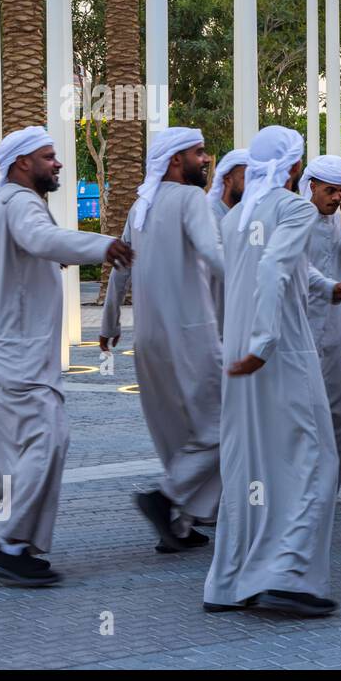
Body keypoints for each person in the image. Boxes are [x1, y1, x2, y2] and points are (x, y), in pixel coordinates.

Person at [0, 126, 132, 586]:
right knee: (48, 435)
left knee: (8, 450)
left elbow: (36, 247)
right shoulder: (20, 203)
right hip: (10, 350)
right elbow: (41, 240)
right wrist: (104, 245)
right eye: (49, 156)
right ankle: (6, 541)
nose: (57, 163)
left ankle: (4, 545)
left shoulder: (6, 205)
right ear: (23, 164)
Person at [203, 126, 339, 617]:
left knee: (247, 467)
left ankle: (228, 583)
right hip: (279, 350)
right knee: (315, 458)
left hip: (239, 353)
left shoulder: (238, 216)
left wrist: (326, 287)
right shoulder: (296, 207)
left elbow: (280, 269)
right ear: (295, 167)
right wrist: (264, 341)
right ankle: (287, 577)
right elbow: (274, 269)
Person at [101, 127, 225, 552]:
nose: (206, 159)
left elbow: (120, 268)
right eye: (198, 152)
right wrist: (253, 282)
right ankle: (166, 497)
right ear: (176, 161)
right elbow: (212, 251)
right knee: (224, 423)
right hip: (192, 335)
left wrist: (109, 324)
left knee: (178, 432)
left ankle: (179, 526)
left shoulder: (141, 206)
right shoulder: (191, 199)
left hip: (148, 340)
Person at [299, 155, 341, 490]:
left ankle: (329, 487)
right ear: (311, 186)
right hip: (303, 330)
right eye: (330, 190)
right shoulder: (295, 219)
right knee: (305, 413)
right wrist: (327, 287)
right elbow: (294, 268)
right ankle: (302, 486)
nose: (336, 197)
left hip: (339, 332)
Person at [206, 149, 249, 337]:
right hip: (213, 323)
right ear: (228, 180)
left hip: (243, 323)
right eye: (247, 178)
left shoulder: (248, 215)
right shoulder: (208, 214)